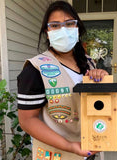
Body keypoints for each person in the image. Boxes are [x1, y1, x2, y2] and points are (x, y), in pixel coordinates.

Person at [17, 1, 108, 160]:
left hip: (89, 150)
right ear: (47, 31)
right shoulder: (36, 69)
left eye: (69, 24)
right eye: (55, 25)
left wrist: (99, 76)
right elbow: (27, 120)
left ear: (77, 28)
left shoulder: (88, 62)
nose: (63, 30)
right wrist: (69, 145)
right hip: (56, 154)